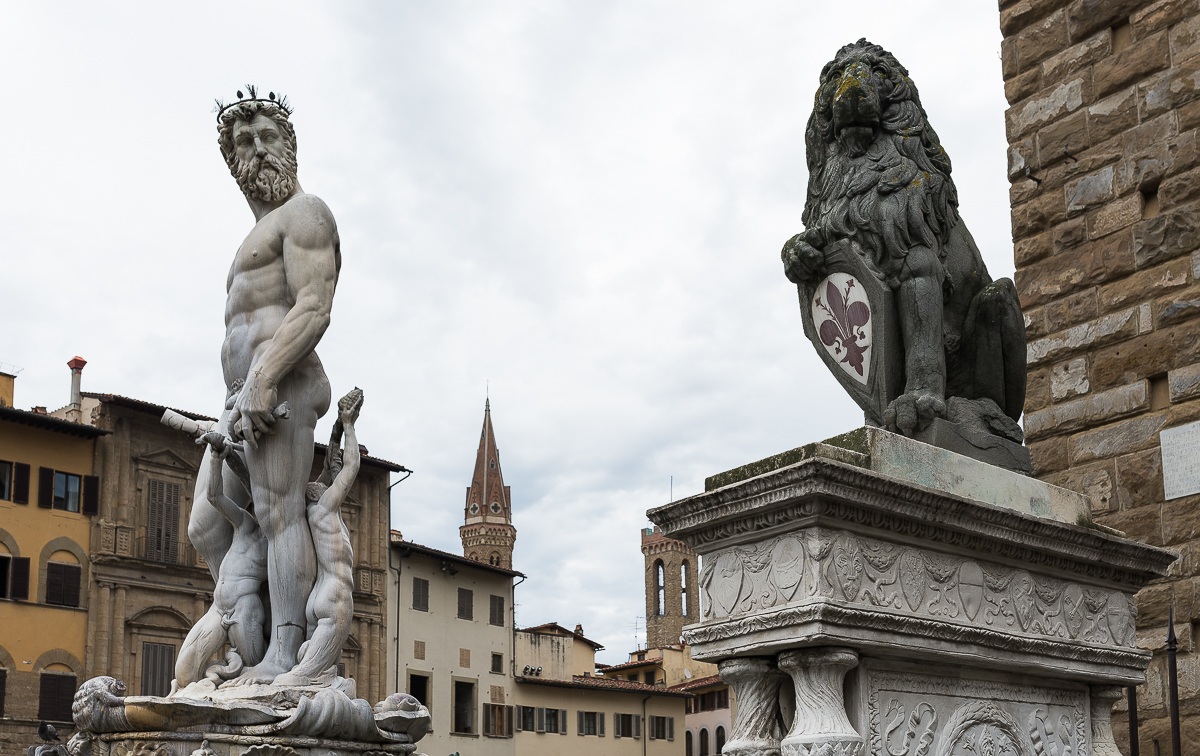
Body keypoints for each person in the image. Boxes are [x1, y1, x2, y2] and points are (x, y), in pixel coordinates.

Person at [187, 90, 340, 684]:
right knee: (208, 524)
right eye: (243, 143)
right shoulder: (257, 233)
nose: (255, 150)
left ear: (289, 145)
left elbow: (314, 305)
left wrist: (264, 376)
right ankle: (240, 634)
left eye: (266, 137)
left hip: (279, 387)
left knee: (278, 515)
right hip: (240, 396)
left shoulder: (307, 214)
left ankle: (284, 653)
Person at [274, 388, 362, 687]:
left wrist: (335, 432)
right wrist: (349, 423)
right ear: (320, 493)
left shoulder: (315, 512)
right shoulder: (326, 508)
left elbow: (330, 468)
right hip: (336, 595)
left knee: (319, 673)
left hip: (317, 598)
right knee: (306, 678)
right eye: (325, 485)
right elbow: (349, 467)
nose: (329, 484)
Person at [173, 436, 267, 693]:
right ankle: (212, 683)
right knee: (184, 673)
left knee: (249, 676)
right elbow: (215, 497)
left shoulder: (279, 544)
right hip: (218, 608)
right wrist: (216, 458)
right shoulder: (245, 523)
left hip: (245, 609)